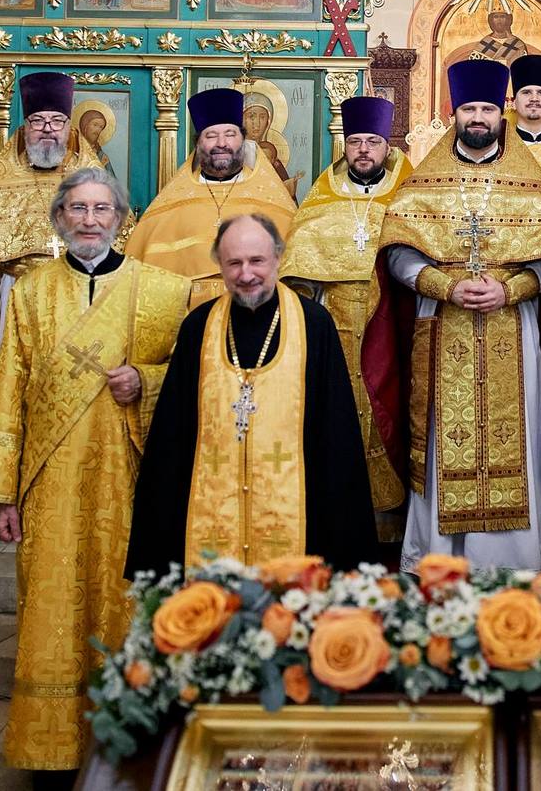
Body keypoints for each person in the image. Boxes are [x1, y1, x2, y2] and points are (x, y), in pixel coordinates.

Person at [0, 168, 189, 783]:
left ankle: (127, 751)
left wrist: (146, 381)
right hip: (49, 482)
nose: (90, 220)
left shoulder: (162, 291)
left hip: (128, 479)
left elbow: (189, 382)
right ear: (60, 218)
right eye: (78, 209)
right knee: (51, 611)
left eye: (101, 208)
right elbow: (7, 389)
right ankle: (53, 756)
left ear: (121, 218)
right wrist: (3, 495)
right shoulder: (31, 292)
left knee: (126, 606)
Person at [360, 58, 541, 572]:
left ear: (501, 113)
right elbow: (396, 252)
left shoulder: (528, 181)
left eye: (488, 108)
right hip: (441, 325)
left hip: (514, 326)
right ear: (455, 114)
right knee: (441, 440)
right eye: (470, 109)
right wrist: (446, 285)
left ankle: (512, 562)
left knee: (518, 437)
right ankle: (439, 561)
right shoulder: (426, 181)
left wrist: (510, 290)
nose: (479, 118)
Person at [128, 213, 379, 576]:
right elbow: (173, 437)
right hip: (209, 519)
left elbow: (336, 436)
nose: (246, 274)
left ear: (277, 258)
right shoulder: (199, 327)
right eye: (234, 263)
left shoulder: (313, 324)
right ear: (219, 265)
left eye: (256, 261)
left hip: (298, 519)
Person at [0, 72, 104, 518]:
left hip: (76, 298)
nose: (47, 129)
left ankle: (67, 490)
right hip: (12, 297)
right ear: (25, 126)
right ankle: (4, 496)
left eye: (56, 121)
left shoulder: (92, 180)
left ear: (69, 126)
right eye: (38, 121)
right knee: (10, 391)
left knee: (69, 390)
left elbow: (115, 245)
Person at [278, 95, 414, 525]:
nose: (363, 150)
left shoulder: (409, 195)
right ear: (346, 147)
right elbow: (297, 273)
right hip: (333, 329)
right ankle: (338, 517)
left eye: (372, 142)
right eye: (355, 142)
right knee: (335, 415)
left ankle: (392, 520)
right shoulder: (322, 198)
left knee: (392, 411)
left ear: (386, 147)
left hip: (391, 328)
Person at [128, 88, 297, 306]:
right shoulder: (171, 203)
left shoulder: (272, 201)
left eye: (230, 134)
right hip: (188, 319)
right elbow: (141, 280)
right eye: (211, 135)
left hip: (255, 313)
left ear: (243, 140)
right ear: (198, 143)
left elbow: (293, 275)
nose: (221, 144)